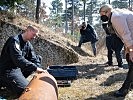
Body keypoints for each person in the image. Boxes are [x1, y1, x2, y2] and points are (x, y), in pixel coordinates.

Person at [0, 25, 48, 99]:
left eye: (36, 35)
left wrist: (39, 69)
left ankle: (17, 80)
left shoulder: (27, 44)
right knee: (26, 90)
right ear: (28, 30)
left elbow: (33, 58)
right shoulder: (14, 41)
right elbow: (18, 60)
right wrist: (35, 68)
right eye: (33, 34)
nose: (34, 37)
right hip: (7, 71)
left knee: (38, 58)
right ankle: (6, 83)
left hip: (17, 69)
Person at [99, 4, 133, 97]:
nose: (101, 17)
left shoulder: (116, 18)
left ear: (107, 12)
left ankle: (125, 89)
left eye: (101, 14)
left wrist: (131, 50)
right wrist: (128, 49)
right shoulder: (117, 14)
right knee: (129, 60)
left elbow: (126, 34)